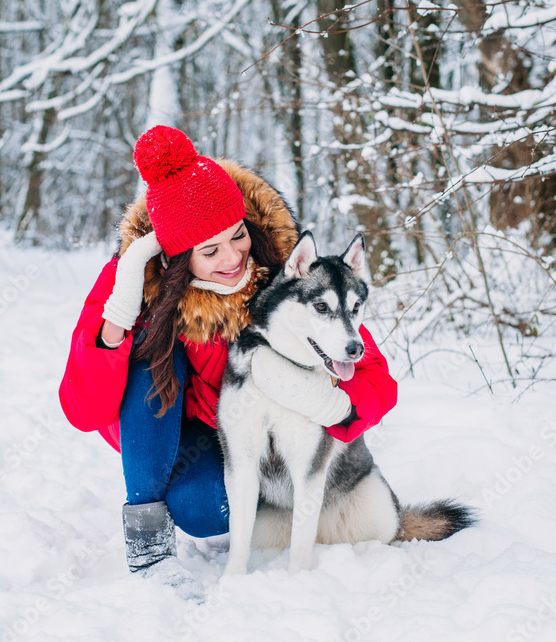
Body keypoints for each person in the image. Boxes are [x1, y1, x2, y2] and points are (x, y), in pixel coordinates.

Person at [58, 125, 397, 579]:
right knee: (149, 356)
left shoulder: (282, 275)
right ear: (177, 259)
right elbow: (84, 410)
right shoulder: (133, 282)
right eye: (210, 249)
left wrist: (340, 408)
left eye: (237, 235)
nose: (232, 258)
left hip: (255, 441)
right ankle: (149, 546)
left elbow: (372, 372)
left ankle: (258, 501)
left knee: (213, 505)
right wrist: (118, 314)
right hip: (171, 435)